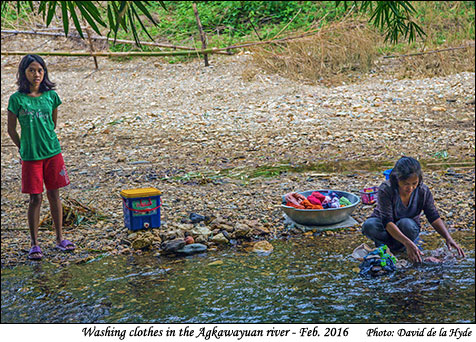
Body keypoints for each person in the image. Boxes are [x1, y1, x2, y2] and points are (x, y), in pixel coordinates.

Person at [7, 54, 75, 260]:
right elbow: (11, 130)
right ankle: (35, 244)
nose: (36, 74)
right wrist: (24, 148)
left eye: (40, 70)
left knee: (54, 194)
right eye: (31, 70)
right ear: (23, 73)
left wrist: (44, 141)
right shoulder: (16, 99)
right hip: (30, 157)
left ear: (44, 72)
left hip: (52, 152)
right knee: (35, 197)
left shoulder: (51, 96)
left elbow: (52, 124)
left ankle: (60, 238)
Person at [361, 156, 465, 263]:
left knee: (405, 224)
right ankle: (390, 245)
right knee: (370, 225)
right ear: (397, 180)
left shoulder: (422, 191)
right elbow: (387, 222)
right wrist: (407, 243)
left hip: (407, 228)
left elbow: (433, 216)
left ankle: (400, 246)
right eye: (406, 184)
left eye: (414, 183)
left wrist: (448, 237)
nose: (410, 188)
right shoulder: (386, 189)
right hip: (385, 227)